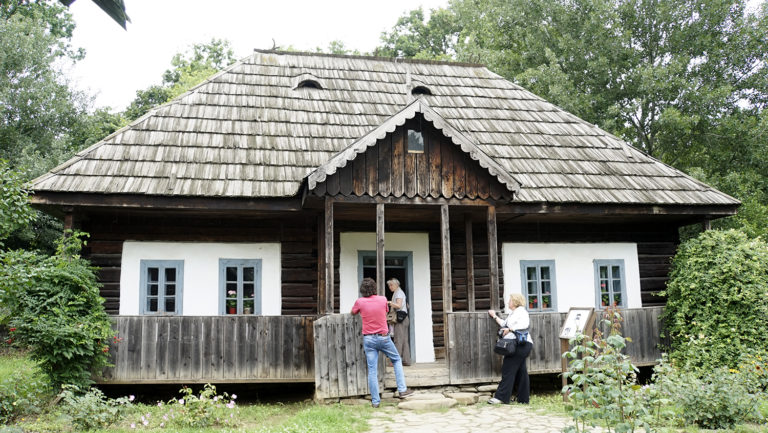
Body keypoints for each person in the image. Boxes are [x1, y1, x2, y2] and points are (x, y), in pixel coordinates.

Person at [351, 277, 414, 407]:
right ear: (374, 289)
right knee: (396, 359)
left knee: (372, 370)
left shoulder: (360, 302)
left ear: (362, 290)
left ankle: (375, 402)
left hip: (368, 338)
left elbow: (353, 312)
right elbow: (385, 310)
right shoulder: (383, 299)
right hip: (383, 337)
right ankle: (402, 390)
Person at [487, 293, 533, 404]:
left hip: (521, 344)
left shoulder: (522, 312)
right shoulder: (514, 313)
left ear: (515, 301)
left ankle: (501, 397)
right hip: (519, 344)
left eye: (510, 300)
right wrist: (494, 316)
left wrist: (511, 329)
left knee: (508, 368)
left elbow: (524, 324)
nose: (508, 302)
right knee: (521, 371)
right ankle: (523, 399)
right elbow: (504, 324)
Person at [386, 278, 412, 366]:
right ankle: (406, 360)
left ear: (396, 285)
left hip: (400, 319)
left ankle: (395, 361)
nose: (390, 287)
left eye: (391, 285)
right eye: (389, 285)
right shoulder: (399, 292)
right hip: (404, 318)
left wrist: (389, 302)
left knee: (398, 340)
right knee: (404, 340)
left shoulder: (398, 293)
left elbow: (399, 305)